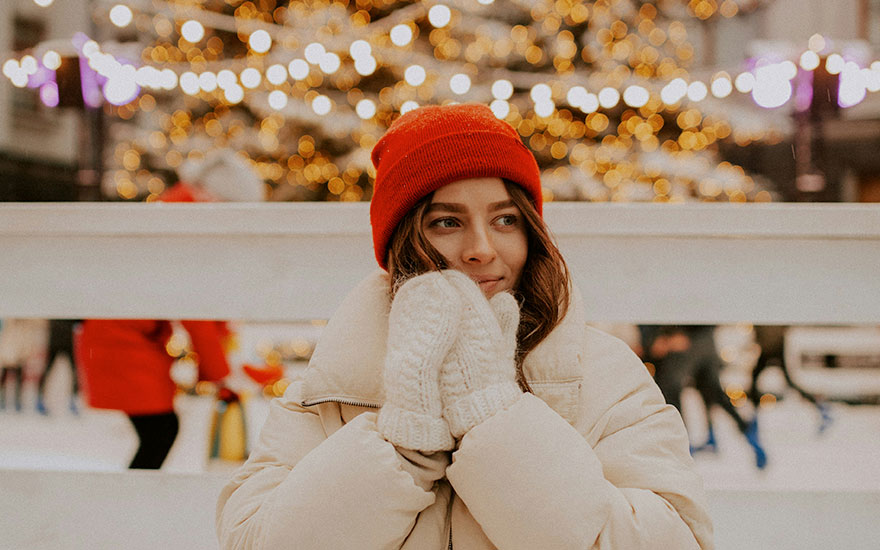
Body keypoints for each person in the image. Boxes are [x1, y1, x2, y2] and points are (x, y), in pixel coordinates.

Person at [216, 104, 713, 549]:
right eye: (446, 222)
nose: (481, 248)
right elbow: (255, 541)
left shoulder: (603, 375)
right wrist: (401, 448)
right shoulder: (330, 388)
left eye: (504, 220)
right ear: (403, 243)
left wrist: (494, 419)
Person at [76, 151, 262, 469]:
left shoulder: (178, 212)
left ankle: (132, 503)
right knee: (160, 429)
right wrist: (218, 372)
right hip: (124, 341)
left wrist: (220, 358)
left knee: (159, 430)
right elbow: (194, 306)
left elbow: (197, 299)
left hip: (126, 337)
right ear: (216, 197)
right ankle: (129, 506)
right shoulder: (184, 221)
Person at [639, 325, 767, 469]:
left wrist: (659, 338)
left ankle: (679, 447)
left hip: (687, 338)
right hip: (703, 337)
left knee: (670, 387)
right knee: (712, 391)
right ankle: (746, 427)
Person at [749, 325, 832, 434]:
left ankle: (752, 420)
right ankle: (753, 419)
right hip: (770, 344)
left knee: (758, 382)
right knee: (784, 382)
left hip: (772, 345)